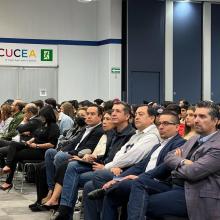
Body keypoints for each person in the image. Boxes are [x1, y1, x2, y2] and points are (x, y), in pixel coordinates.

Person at [126, 101, 220, 220]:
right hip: (178, 186)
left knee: (144, 204)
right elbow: (169, 157)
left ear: (216, 121)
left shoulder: (217, 145)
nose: (196, 120)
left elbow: (193, 172)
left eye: (202, 116)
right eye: (195, 116)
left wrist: (177, 164)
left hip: (197, 193)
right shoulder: (195, 138)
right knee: (138, 184)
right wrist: (182, 161)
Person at [85, 111, 185, 220]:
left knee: (117, 184)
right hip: (144, 179)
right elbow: (140, 166)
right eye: (159, 123)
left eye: (165, 123)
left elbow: (164, 167)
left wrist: (139, 177)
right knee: (111, 196)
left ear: (177, 127)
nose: (161, 126)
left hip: (160, 182)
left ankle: (105, 191)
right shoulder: (157, 146)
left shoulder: (179, 143)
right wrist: (118, 179)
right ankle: (106, 192)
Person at [48, 101, 135, 219]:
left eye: (117, 111)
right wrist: (94, 157)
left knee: (77, 176)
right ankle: (64, 209)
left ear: (127, 116)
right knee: (71, 166)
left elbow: (127, 159)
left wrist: (105, 166)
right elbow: (105, 153)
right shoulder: (113, 132)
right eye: (112, 111)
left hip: (113, 170)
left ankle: (65, 210)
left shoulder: (130, 134)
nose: (113, 114)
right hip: (102, 165)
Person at [0, 105, 60, 191]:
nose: (41, 117)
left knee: (15, 155)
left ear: (48, 116)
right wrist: (30, 141)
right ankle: (8, 167)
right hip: (33, 146)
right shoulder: (44, 124)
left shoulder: (54, 127)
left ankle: (8, 181)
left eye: (43, 116)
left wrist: (37, 145)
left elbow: (52, 144)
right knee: (14, 144)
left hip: (41, 151)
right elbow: (36, 136)